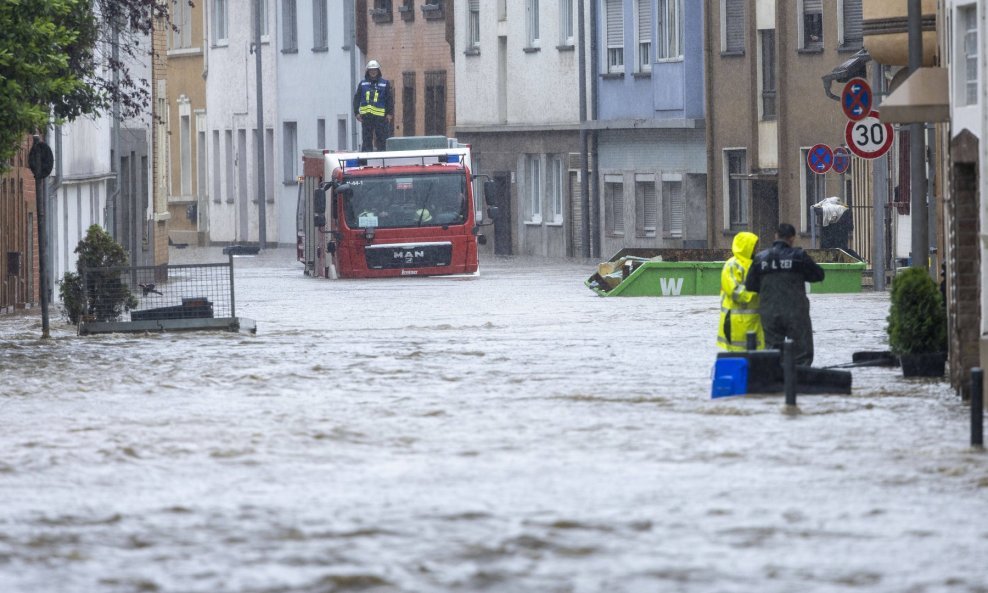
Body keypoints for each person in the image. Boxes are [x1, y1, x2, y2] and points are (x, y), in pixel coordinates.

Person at [745, 223, 825, 366]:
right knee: (802, 353)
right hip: (796, 312)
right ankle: (799, 381)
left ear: (776, 236)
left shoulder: (760, 258)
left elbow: (750, 285)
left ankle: (775, 382)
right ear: (792, 238)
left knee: (773, 351)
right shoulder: (799, 256)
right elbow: (818, 275)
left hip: (769, 312)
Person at [717, 231, 764, 352]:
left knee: (755, 359)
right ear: (746, 247)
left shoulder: (756, 264)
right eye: (754, 246)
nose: (756, 249)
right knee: (738, 359)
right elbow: (735, 291)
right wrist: (758, 294)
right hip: (735, 323)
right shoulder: (732, 265)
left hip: (754, 322)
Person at [352, 60, 394, 152]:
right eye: (371, 70)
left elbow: (389, 100)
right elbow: (357, 98)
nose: (373, 72)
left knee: (382, 140)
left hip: (381, 118)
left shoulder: (385, 83)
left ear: (378, 71)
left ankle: (382, 160)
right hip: (366, 117)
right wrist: (356, 113)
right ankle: (366, 161)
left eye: (375, 70)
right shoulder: (362, 84)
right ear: (368, 71)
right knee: (367, 140)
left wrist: (390, 113)